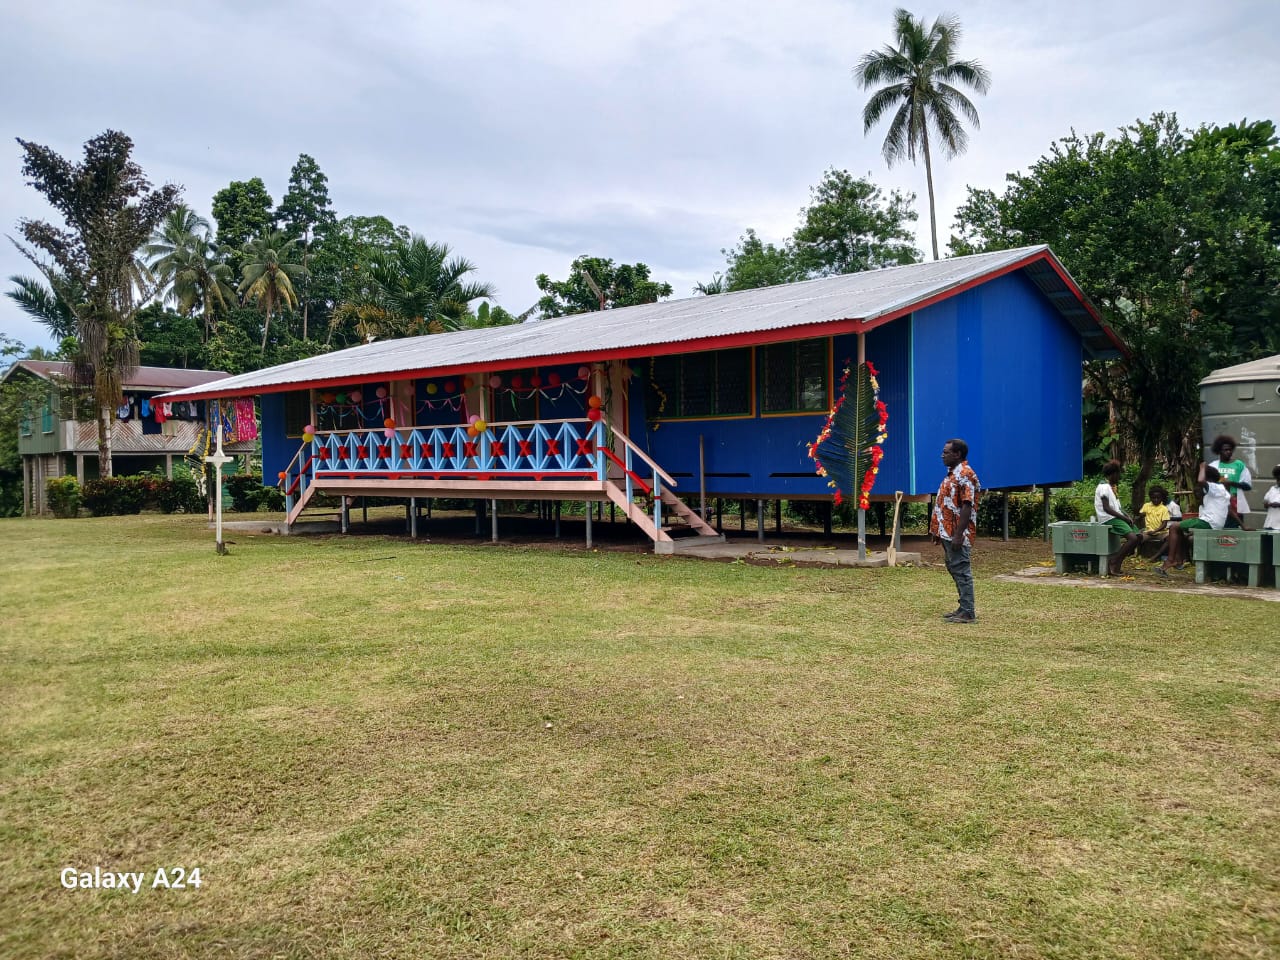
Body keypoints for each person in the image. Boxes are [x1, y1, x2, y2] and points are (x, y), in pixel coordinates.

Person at [930, 438, 980, 623]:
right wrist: (937, 530)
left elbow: (967, 506)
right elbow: (946, 503)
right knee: (954, 567)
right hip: (947, 531)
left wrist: (959, 534)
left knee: (961, 569)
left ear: (957, 454)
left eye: (946, 452)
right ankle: (963, 607)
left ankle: (968, 612)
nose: (942, 455)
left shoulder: (965, 474)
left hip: (957, 533)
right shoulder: (952, 474)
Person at [1162, 463, 1240, 572]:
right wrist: (1243, 525)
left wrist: (1202, 467)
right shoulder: (1222, 491)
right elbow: (1230, 511)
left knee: (1174, 527)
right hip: (1216, 525)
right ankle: (1178, 560)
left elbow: (1201, 481)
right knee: (1178, 530)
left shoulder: (1214, 487)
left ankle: (1171, 560)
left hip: (1208, 523)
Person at [1094, 460, 1141, 575]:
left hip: (1115, 517)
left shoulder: (1112, 487)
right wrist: (1123, 518)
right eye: (1118, 474)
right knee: (1133, 538)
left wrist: (1126, 516)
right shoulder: (1104, 487)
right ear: (1113, 474)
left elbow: (1117, 507)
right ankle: (1114, 561)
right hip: (1108, 518)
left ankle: (1118, 561)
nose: (1119, 477)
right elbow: (1107, 508)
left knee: (1139, 536)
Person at [1209, 434, 1253, 525]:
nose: (1228, 452)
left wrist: (1232, 483)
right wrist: (1222, 480)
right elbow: (1208, 485)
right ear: (1219, 451)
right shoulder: (1213, 466)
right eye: (1225, 450)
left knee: (1235, 531)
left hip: (1235, 504)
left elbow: (1247, 486)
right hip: (1218, 504)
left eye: (1230, 449)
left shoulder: (1239, 465)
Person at [1262, 464, 1280, 531]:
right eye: (1277, 478)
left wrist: (1278, 505)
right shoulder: (1272, 489)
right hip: (1269, 525)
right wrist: (1268, 504)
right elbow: (1265, 503)